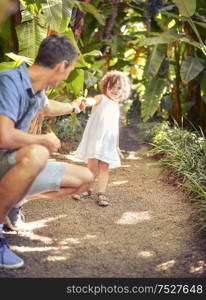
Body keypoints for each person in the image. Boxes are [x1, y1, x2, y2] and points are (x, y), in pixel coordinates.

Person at [0, 33, 94, 269]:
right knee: (38, 153)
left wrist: (74, 107)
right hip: (6, 158)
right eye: (70, 70)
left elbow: (48, 106)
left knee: (83, 180)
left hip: (9, 165)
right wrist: (43, 139)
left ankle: (10, 203)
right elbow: (4, 136)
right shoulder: (9, 81)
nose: (68, 76)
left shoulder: (35, 88)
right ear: (62, 66)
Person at [72, 70, 131, 206]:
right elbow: (93, 101)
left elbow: (115, 128)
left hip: (108, 141)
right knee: (91, 167)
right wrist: (86, 101)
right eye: (112, 87)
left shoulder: (116, 107)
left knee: (104, 166)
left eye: (119, 88)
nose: (115, 91)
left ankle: (101, 193)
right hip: (95, 139)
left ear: (123, 91)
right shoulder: (101, 98)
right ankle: (86, 189)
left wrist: (116, 146)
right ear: (106, 86)